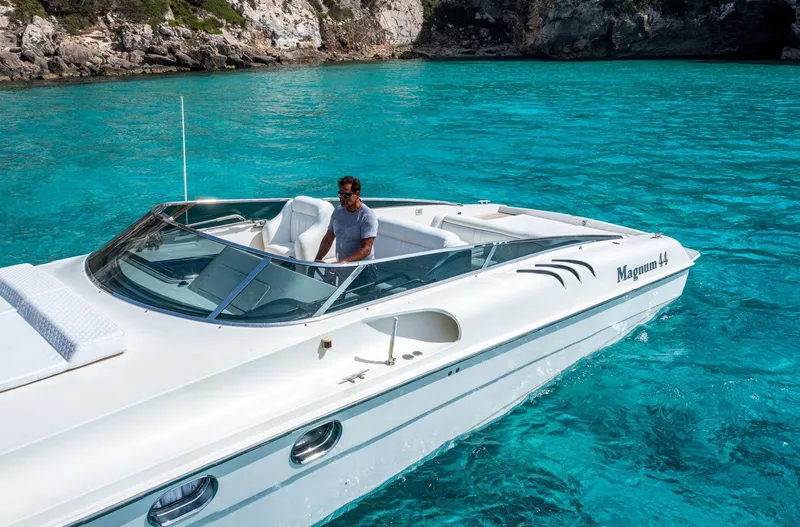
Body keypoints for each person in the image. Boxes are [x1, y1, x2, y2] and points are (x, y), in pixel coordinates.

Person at [314, 176, 379, 264]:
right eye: (340, 194)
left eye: (346, 195)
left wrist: (343, 263)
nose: (342, 198)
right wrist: (317, 260)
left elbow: (366, 249)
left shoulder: (367, 216)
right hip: (343, 266)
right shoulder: (337, 212)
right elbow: (328, 239)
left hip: (362, 269)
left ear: (357, 194)